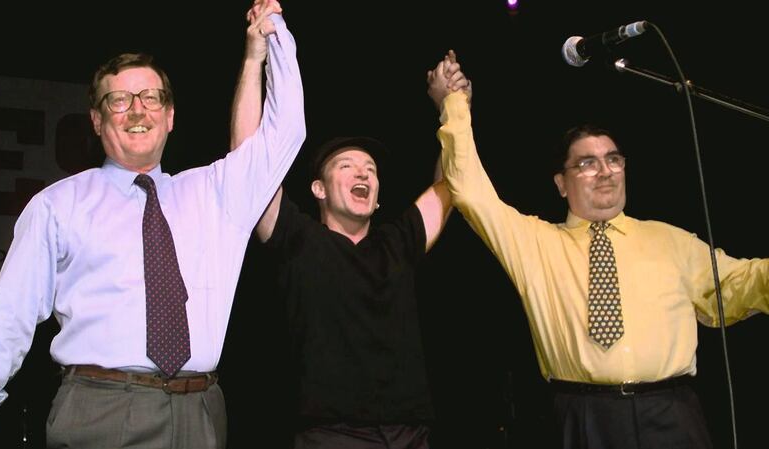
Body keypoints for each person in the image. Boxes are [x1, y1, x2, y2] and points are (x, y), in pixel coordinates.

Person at [0, 1, 304, 448]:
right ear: (97, 120)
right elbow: (6, 323)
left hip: (201, 412)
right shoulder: (59, 205)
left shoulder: (215, 194)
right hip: (101, 409)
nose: (137, 111)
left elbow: (285, 133)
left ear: (170, 116)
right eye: (119, 100)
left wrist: (268, 40)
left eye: (150, 98)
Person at [436, 54, 769, 448]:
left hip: (672, 413)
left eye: (613, 160)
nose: (606, 171)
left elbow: (739, 283)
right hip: (585, 417)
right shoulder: (535, 243)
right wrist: (454, 104)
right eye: (587, 164)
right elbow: (470, 192)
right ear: (561, 184)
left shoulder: (670, 240)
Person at [230, 49, 469, 448]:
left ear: (377, 197)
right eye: (346, 166)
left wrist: (454, 108)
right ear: (318, 189)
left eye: (370, 170)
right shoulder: (298, 239)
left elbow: (450, 185)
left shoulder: (399, 242)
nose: (362, 172)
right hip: (332, 435)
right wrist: (255, 59)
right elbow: (246, 163)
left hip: (410, 433)